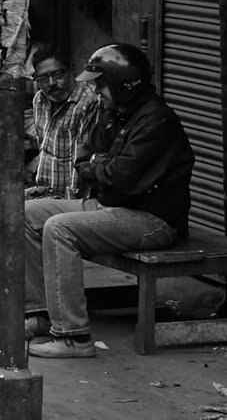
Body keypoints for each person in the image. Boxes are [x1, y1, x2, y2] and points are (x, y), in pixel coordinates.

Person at [18, 43, 193, 358]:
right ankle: (42, 313)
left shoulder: (156, 120)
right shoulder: (115, 112)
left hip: (153, 220)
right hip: (116, 207)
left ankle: (73, 336)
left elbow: (119, 178)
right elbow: (85, 157)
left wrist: (99, 167)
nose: (96, 91)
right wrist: (100, 164)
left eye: (101, 84)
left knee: (59, 229)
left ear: (124, 84)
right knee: (26, 214)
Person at [0, 45, 101, 256]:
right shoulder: (40, 100)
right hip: (44, 192)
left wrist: (64, 213)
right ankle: (32, 275)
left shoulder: (88, 103)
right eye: (43, 78)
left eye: (57, 75)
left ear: (72, 71)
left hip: (72, 200)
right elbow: (46, 147)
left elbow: (80, 162)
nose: (51, 83)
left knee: (21, 223)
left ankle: (37, 277)